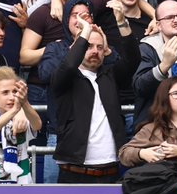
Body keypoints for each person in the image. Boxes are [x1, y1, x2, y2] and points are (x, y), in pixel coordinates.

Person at [50, 15, 139, 183]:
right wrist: (85, 31)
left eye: (99, 47)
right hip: (73, 171)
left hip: (111, 170)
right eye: (88, 46)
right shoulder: (65, 76)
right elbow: (69, 65)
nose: (95, 51)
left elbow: (133, 59)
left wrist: (122, 22)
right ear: (75, 48)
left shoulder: (110, 75)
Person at [0, 66, 42, 184]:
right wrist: (15, 110)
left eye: (15, 92)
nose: (12, 97)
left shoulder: (22, 115)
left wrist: (24, 102)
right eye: (5, 93)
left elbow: (37, 125)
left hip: (22, 184)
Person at [119, 77, 177, 168]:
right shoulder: (152, 128)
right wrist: (142, 153)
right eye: (176, 93)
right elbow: (123, 154)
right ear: (165, 97)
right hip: (161, 176)